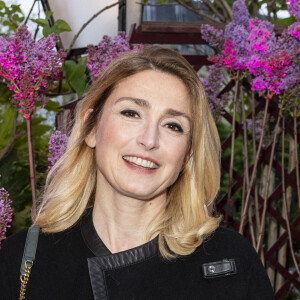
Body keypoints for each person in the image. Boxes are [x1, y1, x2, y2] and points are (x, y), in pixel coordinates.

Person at [0, 45, 274, 300]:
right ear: (91, 128)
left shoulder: (232, 264)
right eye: (131, 113)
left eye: (173, 126)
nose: (149, 139)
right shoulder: (25, 258)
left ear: (187, 155)